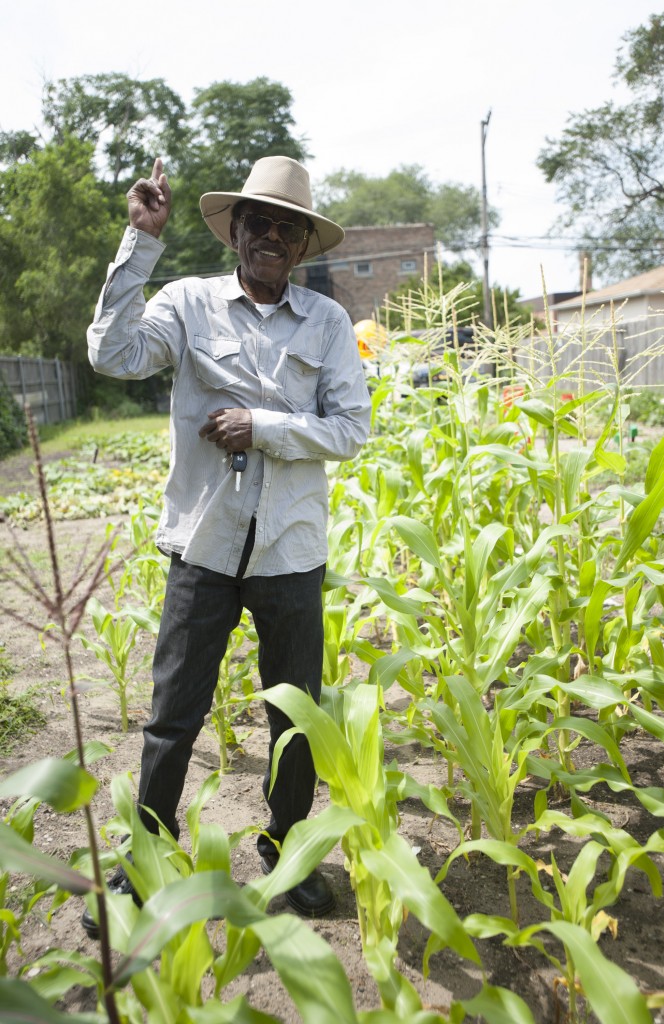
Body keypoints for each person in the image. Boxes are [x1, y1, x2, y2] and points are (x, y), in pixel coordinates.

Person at [82, 155, 371, 934]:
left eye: (287, 226)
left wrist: (264, 427)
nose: (271, 235)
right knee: (173, 715)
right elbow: (112, 357)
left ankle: (290, 853)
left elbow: (350, 431)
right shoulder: (186, 303)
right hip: (202, 547)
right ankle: (144, 860)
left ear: (303, 245)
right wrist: (139, 242)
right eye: (258, 221)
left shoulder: (328, 323)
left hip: (289, 552)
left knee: (296, 717)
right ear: (234, 231)